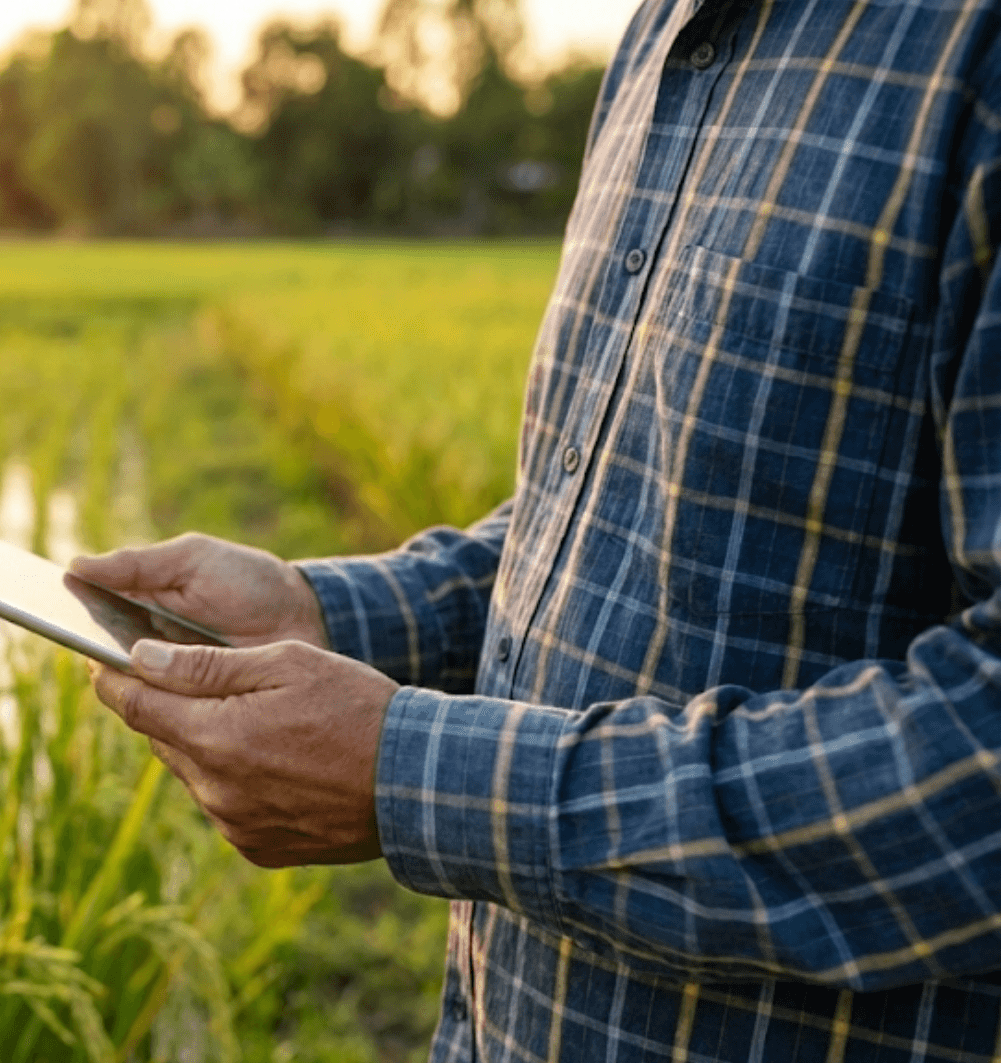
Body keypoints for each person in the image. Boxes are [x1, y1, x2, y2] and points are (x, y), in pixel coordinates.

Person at [74, 1, 1001, 1060]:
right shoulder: (663, 35)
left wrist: (421, 778)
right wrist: (330, 611)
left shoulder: (970, 52)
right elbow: (620, 512)